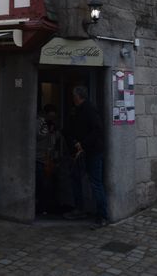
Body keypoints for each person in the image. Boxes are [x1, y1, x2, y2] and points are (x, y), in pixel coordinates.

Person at [66, 86, 108, 228]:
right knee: (75, 177)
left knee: (96, 183)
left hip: (93, 151)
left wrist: (82, 144)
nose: (72, 97)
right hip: (81, 151)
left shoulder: (89, 109)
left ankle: (102, 216)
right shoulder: (76, 110)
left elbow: (97, 130)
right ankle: (79, 209)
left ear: (79, 96)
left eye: (73, 95)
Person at [35, 104, 62, 215]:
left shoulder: (52, 125)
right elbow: (37, 135)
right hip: (39, 158)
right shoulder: (40, 122)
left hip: (49, 160)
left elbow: (54, 141)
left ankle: (45, 207)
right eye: (50, 116)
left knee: (48, 185)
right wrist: (47, 129)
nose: (52, 119)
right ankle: (40, 208)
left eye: (54, 117)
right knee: (42, 185)